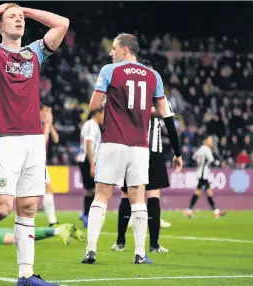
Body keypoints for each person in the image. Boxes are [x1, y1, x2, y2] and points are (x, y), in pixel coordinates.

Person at [0, 3, 69, 286]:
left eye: (21, 19)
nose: (18, 21)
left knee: (28, 207)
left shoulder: (34, 53)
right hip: (6, 138)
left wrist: (26, 11)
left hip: (34, 138)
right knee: (1, 208)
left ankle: (26, 276)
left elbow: (62, 24)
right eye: (12, 18)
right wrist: (3, 7)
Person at [81, 33, 178, 265]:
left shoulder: (109, 71)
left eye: (114, 49)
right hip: (139, 146)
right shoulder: (154, 76)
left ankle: (91, 251)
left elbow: (94, 105)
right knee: (138, 199)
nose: (110, 53)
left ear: (125, 49)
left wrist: (110, 104)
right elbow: (164, 112)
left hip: (113, 141)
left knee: (102, 196)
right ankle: (139, 253)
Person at [111, 60, 183, 253]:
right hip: (153, 151)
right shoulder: (161, 98)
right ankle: (153, 244)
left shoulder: (129, 96)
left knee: (127, 195)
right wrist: (178, 153)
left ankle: (120, 242)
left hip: (131, 149)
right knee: (152, 196)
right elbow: (171, 127)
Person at [185, 135, 226, 218]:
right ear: (206, 141)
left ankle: (215, 211)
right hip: (203, 174)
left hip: (202, 173)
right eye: (210, 140)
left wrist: (200, 161)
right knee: (200, 192)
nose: (212, 142)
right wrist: (220, 163)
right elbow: (212, 161)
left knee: (207, 192)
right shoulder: (206, 149)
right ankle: (189, 210)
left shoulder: (201, 148)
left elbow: (194, 157)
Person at [77, 108, 104, 228]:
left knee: (91, 190)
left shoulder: (91, 125)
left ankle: (86, 214)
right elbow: (89, 143)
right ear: (97, 113)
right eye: (103, 114)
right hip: (88, 160)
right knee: (93, 190)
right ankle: (88, 215)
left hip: (88, 160)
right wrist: (92, 163)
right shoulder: (92, 125)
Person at [41, 103, 60, 226]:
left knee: (48, 188)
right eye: (47, 111)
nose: (49, 114)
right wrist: (47, 125)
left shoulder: (45, 125)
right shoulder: (36, 124)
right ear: (40, 112)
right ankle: (52, 219)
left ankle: (52, 220)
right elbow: (42, 142)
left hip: (40, 163)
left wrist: (50, 125)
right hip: (33, 162)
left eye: (50, 111)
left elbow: (56, 139)